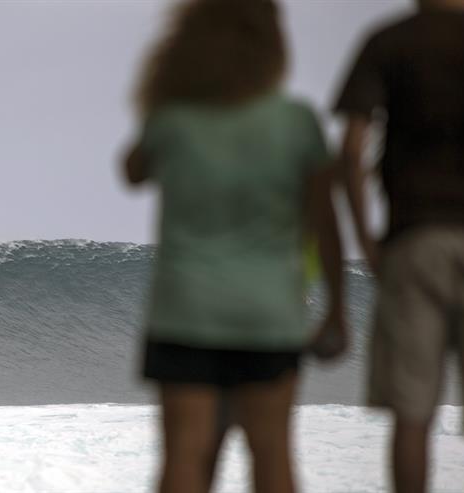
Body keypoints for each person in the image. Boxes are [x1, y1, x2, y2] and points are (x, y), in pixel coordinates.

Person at [122, 1, 345, 492]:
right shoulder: (297, 122)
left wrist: (166, 85)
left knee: (185, 453)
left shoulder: (175, 118)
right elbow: (326, 225)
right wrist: (338, 312)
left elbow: (133, 169)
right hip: (268, 311)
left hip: (186, 310)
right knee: (272, 452)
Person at [334, 1, 464, 491]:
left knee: (412, 415)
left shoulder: (390, 40)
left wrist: (366, 239)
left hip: (414, 239)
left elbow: (352, 150)